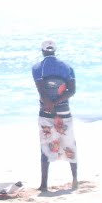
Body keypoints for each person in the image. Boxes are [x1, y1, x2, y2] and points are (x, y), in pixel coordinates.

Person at [31, 39, 78, 191]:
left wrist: (50, 105)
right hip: (64, 111)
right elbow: (71, 91)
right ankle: (75, 180)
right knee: (70, 143)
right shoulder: (67, 67)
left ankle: (44, 185)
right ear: (55, 50)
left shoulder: (37, 67)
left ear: (43, 51)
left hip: (46, 112)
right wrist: (58, 102)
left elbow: (42, 91)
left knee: (45, 145)